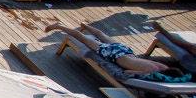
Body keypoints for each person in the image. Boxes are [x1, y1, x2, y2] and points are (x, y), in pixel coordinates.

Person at [42, 22, 179, 77]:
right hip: (114, 55)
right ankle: (58, 26)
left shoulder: (162, 66)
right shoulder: (152, 71)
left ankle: (85, 25)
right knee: (82, 38)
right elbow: (128, 71)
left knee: (101, 35)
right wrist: (137, 73)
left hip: (126, 50)